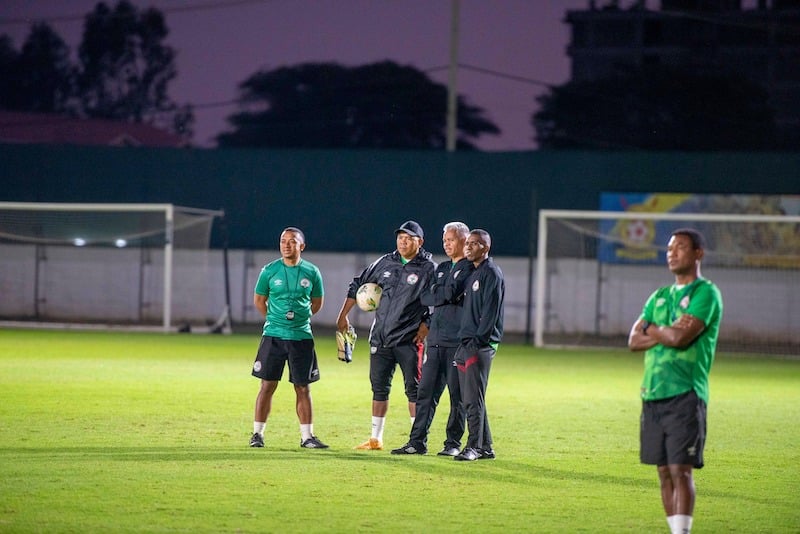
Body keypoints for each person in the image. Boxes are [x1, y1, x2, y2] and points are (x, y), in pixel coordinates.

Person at [628, 228, 724, 534]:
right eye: (669, 248)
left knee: (681, 471)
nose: (672, 252)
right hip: (652, 393)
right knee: (663, 472)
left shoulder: (705, 293)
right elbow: (632, 340)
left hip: (686, 393)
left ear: (698, 254)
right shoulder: (659, 295)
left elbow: (681, 337)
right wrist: (664, 332)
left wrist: (652, 328)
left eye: (680, 247)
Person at [336, 220, 436, 450]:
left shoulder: (428, 268)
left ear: (419, 242)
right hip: (380, 338)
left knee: (415, 389)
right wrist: (343, 316)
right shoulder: (385, 262)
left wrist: (427, 324)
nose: (403, 241)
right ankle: (376, 438)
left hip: (409, 340)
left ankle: (417, 439)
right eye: (400, 237)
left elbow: (439, 301)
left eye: (408, 238)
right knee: (379, 387)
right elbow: (357, 284)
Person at [391, 222, 471, 456]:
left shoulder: (470, 269)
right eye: (444, 240)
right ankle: (416, 442)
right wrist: (443, 295)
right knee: (424, 394)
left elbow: (445, 293)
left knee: (457, 397)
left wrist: (442, 294)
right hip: (435, 341)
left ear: (464, 241)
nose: (446, 244)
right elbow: (427, 296)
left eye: (451, 240)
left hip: (457, 343)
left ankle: (453, 444)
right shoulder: (442, 268)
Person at [249, 227, 329, 449]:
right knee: (267, 385)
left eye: (291, 241)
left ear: (301, 246)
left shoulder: (312, 272)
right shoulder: (269, 271)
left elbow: (317, 303)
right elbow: (259, 300)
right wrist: (275, 321)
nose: (286, 245)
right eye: (283, 241)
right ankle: (257, 434)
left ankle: (307, 437)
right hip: (273, 336)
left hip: (301, 337)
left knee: (303, 387)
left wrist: (300, 320)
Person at [453, 229, 504, 462]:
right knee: (471, 398)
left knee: (473, 398)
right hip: (467, 343)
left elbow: (490, 313)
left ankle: (472, 446)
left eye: (474, 244)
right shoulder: (472, 273)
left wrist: (477, 341)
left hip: (479, 344)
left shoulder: (491, 273)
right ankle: (486, 447)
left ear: (486, 248)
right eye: (468, 243)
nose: (468, 247)